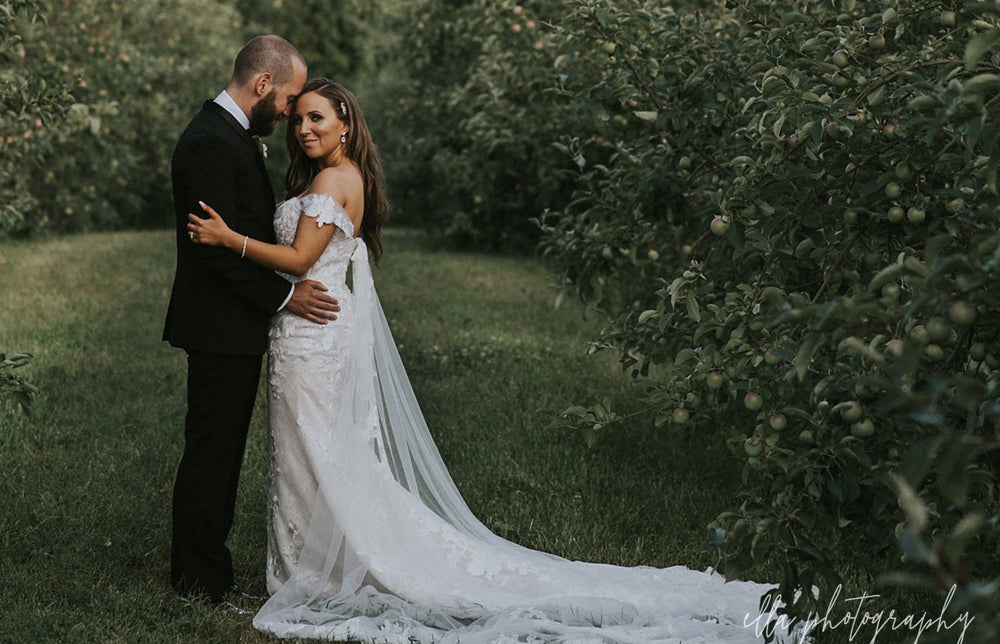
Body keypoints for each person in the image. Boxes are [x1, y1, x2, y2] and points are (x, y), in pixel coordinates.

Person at [187, 79, 788, 642]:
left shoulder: (332, 183)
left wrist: (228, 239)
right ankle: (314, 564)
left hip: (314, 336)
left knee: (316, 453)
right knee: (313, 454)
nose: (302, 130)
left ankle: (315, 574)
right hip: (311, 332)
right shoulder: (335, 177)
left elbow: (296, 261)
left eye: (315, 118)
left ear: (345, 123)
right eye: (298, 121)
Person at [162, 36, 340, 606]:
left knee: (219, 449)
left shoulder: (227, 134)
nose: (289, 113)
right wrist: (286, 298)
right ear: (263, 85)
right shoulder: (213, 141)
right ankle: (198, 581)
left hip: (231, 325)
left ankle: (202, 570)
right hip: (218, 325)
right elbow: (212, 251)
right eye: (288, 99)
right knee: (212, 452)